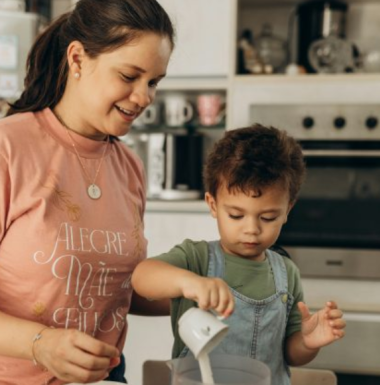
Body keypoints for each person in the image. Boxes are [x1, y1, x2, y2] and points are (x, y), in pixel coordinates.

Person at [0, 1, 174, 384]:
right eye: (129, 76)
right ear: (78, 58)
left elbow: (109, 288)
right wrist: (40, 344)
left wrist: (205, 293)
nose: (145, 96)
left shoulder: (128, 167)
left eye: (154, 82)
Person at [131, 124, 347, 385]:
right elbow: (142, 277)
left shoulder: (286, 273)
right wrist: (190, 282)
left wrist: (308, 342)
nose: (252, 230)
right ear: (213, 205)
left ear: (288, 209)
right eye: (236, 215)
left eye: (268, 217)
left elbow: (290, 354)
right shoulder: (197, 258)